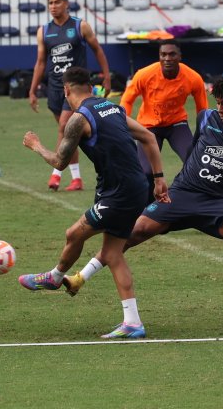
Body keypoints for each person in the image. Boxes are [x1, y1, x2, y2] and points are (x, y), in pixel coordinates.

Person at [66, 76, 223, 327]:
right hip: (182, 194)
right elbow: (193, 151)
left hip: (217, 203)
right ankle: (80, 277)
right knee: (132, 233)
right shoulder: (206, 118)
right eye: (219, 102)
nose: (221, 108)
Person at [17, 66, 170, 339]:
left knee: (74, 233)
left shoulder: (78, 119)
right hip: (134, 188)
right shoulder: (112, 108)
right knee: (112, 254)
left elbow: (59, 163)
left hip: (119, 193)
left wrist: (35, 145)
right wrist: (158, 179)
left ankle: (54, 277)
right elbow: (148, 136)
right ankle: (133, 323)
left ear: (65, 90)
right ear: (90, 86)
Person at [27, 0, 111, 192]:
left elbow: (97, 50)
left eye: (57, 2)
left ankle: (56, 173)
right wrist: (32, 89)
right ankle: (76, 179)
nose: (53, 6)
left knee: (65, 126)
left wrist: (106, 76)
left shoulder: (80, 26)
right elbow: (40, 62)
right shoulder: (44, 31)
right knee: (70, 134)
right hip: (55, 87)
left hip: (75, 87)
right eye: (50, 3)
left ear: (66, 3)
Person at [119, 41, 209, 172]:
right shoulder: (144, 74)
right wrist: (122, 123)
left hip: (177, 124)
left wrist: (204, 132)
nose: (167, 59)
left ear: (179, 56)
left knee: (194, 162)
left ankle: (185, 191)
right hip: (149, 126)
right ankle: (150, 192)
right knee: (146, 171)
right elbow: (127, 100)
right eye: (163, 55)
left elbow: (202, 109)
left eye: (172, 54)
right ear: (159, 56)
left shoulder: (193, 78)